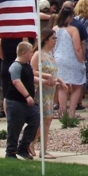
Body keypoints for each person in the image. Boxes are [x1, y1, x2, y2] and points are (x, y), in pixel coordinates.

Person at [4, 42, 38, 160]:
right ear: (23, 53)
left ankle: (23, 147)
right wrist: (27, 96)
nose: (32, 54)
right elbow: (16, 81)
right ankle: (10, 152)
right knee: (15, 127)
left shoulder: (27, 66)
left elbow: (31, 78)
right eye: (30, 52)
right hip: (15, 102)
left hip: (27, 103)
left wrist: (45, 81)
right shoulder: (15, 66)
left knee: (36, 120)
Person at [53, 6, 86, 119]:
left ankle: (62, 112)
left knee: (62, 87)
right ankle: (72, 112)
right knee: (77, 85)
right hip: (71, 59)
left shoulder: (55, 29)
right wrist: (81, 60)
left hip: (58, 59)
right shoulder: (73, 30)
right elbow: (78, 47)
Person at [30, 30, 58, 159]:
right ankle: (32, 143)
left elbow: (54, 72)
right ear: (46, 39)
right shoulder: (38, 54)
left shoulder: (50, 54)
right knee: (42, 120)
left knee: (48, 119)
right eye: (53, 38)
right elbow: (32, 71)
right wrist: (46, 76)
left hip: (51, 92)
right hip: (41, 90)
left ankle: (41, 148)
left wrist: (61, 82)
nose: (55, 41)